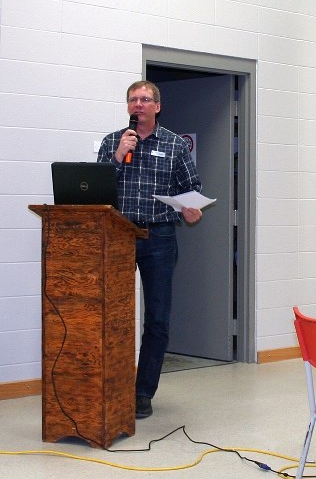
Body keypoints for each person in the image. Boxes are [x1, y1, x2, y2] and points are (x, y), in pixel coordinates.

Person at [97, 80, 202, 419]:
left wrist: (190, 207)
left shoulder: (173, 145)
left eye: (144, 99)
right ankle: (112, 386)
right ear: (128, 107)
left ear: (157, 106)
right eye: (133, 100)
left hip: (158, 237)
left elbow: (192, 188)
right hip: (117, 237)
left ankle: (143, 393)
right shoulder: (113, 141)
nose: (138, 104)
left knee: (156, 319)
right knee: (112, 317)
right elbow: (96, 187)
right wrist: (115, 158)